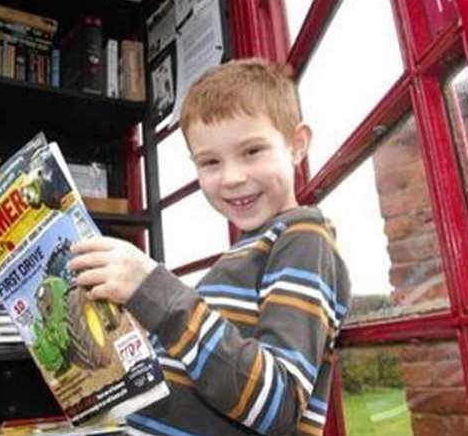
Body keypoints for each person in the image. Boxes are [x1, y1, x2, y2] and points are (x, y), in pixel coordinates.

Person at [68, 58, 351, 435]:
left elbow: (278, 405)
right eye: (211, 162)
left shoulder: (304, 239)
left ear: (297, 145)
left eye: (252, 151)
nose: (232, 177)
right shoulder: (244, 254)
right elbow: (195, 359)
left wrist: (153, 289)